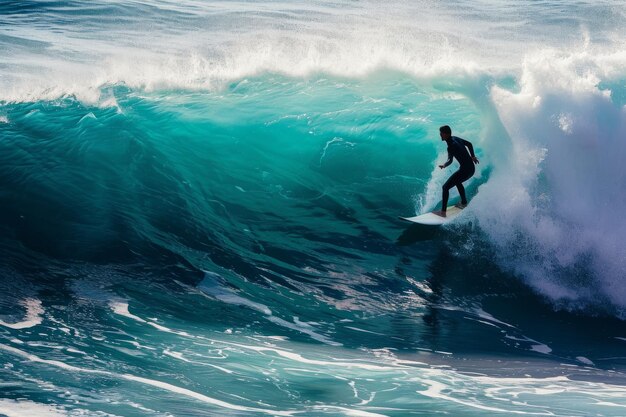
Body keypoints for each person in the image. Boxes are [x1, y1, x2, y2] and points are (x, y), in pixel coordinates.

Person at [434, 125, 479, 217]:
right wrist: (473, 156)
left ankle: (443, 212)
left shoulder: (451, 146)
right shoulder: (455, 138)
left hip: (465, 170)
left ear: (446, 134)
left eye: (441, 133)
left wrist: (444, 165)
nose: (440, 135)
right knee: (457, 181)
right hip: (471, 169)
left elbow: (450, 160)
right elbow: (469, 144)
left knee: (445, 187)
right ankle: (464, 202)